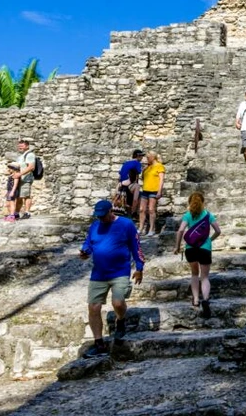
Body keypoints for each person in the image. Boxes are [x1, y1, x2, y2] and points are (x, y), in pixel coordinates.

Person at [79, 200, 144, 358]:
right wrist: (85, 252)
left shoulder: (126, 225)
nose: (101, 219)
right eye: (98, 216)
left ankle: (120, 319)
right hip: (98, 274)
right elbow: (89, 243)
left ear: (111, 212)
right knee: (93, 307)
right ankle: (98, 343)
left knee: (118, 302)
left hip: (120, 271)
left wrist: (139, 267)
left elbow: (136, 246)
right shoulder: (95, 226)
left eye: (103, 216)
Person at [173, 192, 222, 318]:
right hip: (205, 248)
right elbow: (218, 231)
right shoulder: (208, 215)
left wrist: (177, 246)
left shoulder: (187, 215)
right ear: (202, 202)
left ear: (190, 202)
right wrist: (210, 240)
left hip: (191, 249)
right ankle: (205, 300)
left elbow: (180, 230)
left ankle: (195, 300)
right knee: (204, 277)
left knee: (194, 274)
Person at [138, 151, 165, 235]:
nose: (147, 159)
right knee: (142, 209)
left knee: (151, 209)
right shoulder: (148, 167)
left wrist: (159, 191)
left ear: (153, 157)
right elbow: (143, 178)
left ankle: (151, 229)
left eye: (148, 157)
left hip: (154, 190)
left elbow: (161, 180)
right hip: (145, 190)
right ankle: (141, 228)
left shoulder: (159, 166)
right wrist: (144, 169)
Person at [13, 138, 36, 219]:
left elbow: (31, 167)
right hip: (19, 179)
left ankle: (27, 213)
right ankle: (16, 213)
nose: (20, 147)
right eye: (19, 146)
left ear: (27, 146)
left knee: (26, 196)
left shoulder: (30, 155)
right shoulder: (21, 156)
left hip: (26, 179)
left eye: (22, 146)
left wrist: (19, 174)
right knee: (18, 196)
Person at [116, 149, 144, 216]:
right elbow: (138, 172)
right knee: (137, 198)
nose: (142, 158)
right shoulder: (137, 163)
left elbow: (120, 174)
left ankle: (126, 212)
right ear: (138, 156)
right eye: (141, 156)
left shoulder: (126, 163)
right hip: (130, 185)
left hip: (121, 184)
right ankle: (133, 212)